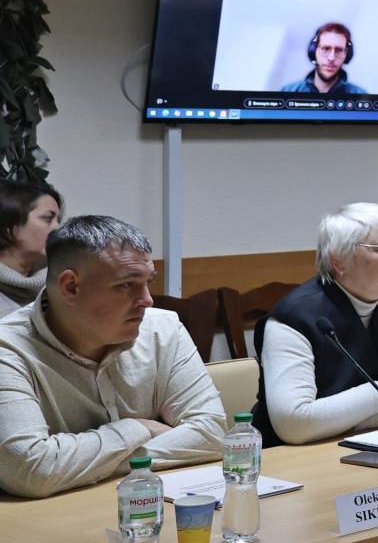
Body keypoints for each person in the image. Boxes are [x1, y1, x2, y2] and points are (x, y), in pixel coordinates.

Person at [0, 217, 226, 498]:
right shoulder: (8, 348)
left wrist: (80, 464)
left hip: (144, 507)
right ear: (71, 287)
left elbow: (212, 434)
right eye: (126, 284)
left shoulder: (163, 328)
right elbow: (29, 469)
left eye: (148, 282)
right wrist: (137, 428)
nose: (147, 300)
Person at [255, 203, 378, 446]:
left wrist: (342, 421)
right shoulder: (294, 317)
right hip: (292, 456)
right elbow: (294, 424)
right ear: (338, 261)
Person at [0, 180, 62, 314]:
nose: (57, 228)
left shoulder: (59, 288)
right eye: (48, 218)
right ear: (10, 224)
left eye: (58, 221)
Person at [280, 22, 368, 95]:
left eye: (339, 50)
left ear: (347, 54)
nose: (331, 58)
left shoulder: (360, 95)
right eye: (325, 48)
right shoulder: (288, 91)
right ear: (314, 51)